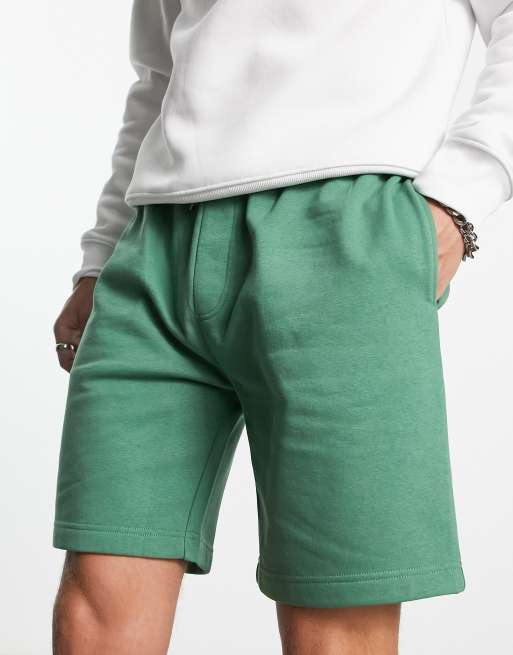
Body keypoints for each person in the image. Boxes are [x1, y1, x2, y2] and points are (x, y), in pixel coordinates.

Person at [52, 1, 512, 653]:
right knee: (97, 594)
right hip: (156, 244)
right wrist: (101, 255)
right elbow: (160, 72)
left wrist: (460, 200)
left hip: (344, 236)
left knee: (336, 613)